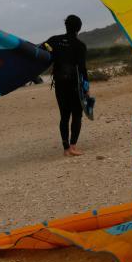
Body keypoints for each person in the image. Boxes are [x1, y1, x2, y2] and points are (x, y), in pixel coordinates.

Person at [44, 15, 88, 157]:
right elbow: (82, 69)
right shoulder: (80, 45)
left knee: (64, 115)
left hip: (60, 84)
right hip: (74, 85)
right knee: (77, 115)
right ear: (79, 28)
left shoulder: (54, 40)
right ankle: (73, 146)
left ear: (66, 26)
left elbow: (41, 52)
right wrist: (86, 87)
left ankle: (65, 148)